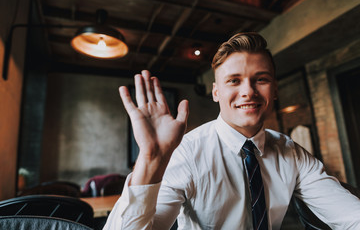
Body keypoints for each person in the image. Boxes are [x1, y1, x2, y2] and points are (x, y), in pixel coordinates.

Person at [104, 32, 360, 229]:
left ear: (274, 90)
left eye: (261, 79)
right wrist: (150, 161)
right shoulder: (187, 153)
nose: (248, 91)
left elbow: (351, 217)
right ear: (216, 92)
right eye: (234, 80)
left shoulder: (290, 152)